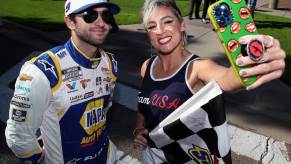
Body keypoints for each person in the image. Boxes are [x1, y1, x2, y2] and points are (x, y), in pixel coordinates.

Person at [134, 0, 285, 163]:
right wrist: (139, 127)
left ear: (182, 25)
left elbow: (230, 79)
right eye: (151, 26)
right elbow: (144, 102)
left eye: (168, 21)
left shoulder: (199, 68)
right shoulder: (146, 67)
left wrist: (255, 58)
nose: (160, 31)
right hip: (152, 156)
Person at [5, 0, 120, 163]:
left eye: (106, 15)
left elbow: (103, 111)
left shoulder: (110, 62)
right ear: (70, 22)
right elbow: (18, 133)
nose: (101, 23)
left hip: (105, 157)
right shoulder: (42, 71)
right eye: (90, 15)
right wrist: (36, 158)